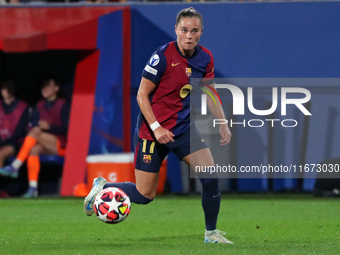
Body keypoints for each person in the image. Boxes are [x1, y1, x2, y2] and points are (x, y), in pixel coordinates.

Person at [84, 7, 233, 244]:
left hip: (183, 129)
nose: (189, 36)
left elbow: (210, 91)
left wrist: (223, 123)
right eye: (184, 30)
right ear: (176, 30)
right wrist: (156, 128)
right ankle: (104, 185)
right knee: (144, 196)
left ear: (201, 32)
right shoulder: (162, 56)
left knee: (210, 177)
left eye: (194, 31)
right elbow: (142, 95)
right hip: (151, 133)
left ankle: (211, 234)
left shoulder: (205, 58)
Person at [0, 78, 70, 198]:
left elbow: (69, 129)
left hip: (61, 145)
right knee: (34, 149)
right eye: (43, 86)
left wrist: (50, 127)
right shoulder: (39, 105)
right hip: (43, 143)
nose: (45, 89)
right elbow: (31, 126)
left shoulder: (63, 105)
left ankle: (15, 166)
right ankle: (33, 188)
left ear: (56, 89)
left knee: (36, 132)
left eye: (49, 86)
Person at [0, 80, 29, 197]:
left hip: (14, 143)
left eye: (7, 89)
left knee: (0, 154)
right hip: (2, 142)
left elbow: (20, 132)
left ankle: (2, 188)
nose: (4, 91)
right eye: (3, 88)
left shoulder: (22, 107)